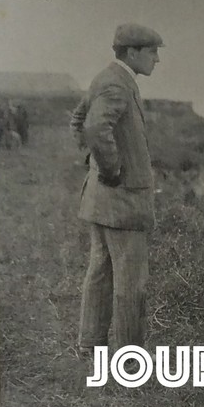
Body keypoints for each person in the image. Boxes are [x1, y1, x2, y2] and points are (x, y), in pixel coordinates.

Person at [71, 23, 164, 353]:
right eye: (152, 52)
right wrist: (110, 170)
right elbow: (95, 127)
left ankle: (90, 346)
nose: (157, 59)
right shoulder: (119, 84)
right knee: (131, 283)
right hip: (122, 201)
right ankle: (130, 359)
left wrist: (94, 166)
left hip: (102, 200)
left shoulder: (107, 77)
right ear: (133, 52)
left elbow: (79, 120)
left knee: (100, 273)